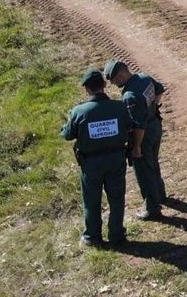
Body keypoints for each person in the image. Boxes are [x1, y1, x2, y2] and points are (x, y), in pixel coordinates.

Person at [61, 69, 135, 247]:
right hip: (116, 159)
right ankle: (117, 235)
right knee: (117, 198)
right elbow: (130, 127)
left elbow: (67, 135)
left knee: (92, 200)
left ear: (87, 88)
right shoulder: (119, 107)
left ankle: (92, 237)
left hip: (91, 163)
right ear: (103, 85)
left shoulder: (79, 112)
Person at [103, 59, 168, 220]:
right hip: (155, 125)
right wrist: (151, 108)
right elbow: (159, 90)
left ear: (121, 74)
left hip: (143, 134)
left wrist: (136, 146)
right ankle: (160, 195)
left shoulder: (129, 95)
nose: (115, 84)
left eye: (115, 80)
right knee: (153, 161)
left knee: (144, 169)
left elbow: (138, 125)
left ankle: (152, 208)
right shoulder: (144, 78)